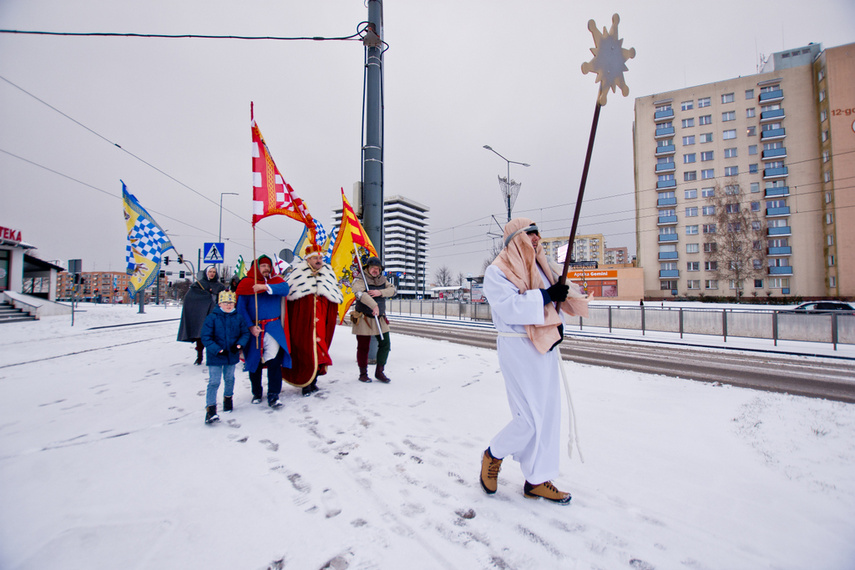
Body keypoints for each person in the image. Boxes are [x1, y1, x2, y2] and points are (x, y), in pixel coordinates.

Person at [479, 218, 589, 505]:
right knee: (528, 419)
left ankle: (537, 479)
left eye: (538, 234)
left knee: (548, 415)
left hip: (545, 345)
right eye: (530, 235)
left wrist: (561, 306)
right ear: (515, 238)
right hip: (517, 348)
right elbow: (509, 307)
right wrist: (544, 296)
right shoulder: (497, 271)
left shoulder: (543, 265)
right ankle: (494, 454)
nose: (536, 240)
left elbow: (553, 302)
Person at [283, 244, 344, 396]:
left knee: (320, 351)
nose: (318, 260)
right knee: (305, 351)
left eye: (320, 257)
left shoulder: (328, 274)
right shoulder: (298, 274)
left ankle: (314, 381)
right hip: (304, 323)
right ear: (308, 259)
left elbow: (332, 299)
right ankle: (306, 383)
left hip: (321, 322)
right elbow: (290, 300)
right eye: (315, 258)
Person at [235, 255, 291, 408]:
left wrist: (265, 287)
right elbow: (241, 309)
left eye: (268, 266)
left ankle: (274, 394)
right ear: (256, 268)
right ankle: (257, 393)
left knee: (274, 362)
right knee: (254, 362)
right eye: (263, 266)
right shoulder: (247, 284)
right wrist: (250, 326)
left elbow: (285, 289)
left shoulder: (276, 281)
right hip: (255, 330)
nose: (266, 268)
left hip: (273, 328)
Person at [200, 290, 251, 424]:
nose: (228, 305)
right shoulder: (212, 318)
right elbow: (206, 337)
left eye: (231, 303)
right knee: (214, 381)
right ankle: (211, 409)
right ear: (220, 303)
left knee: (229, 378)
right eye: (225, 303)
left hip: (231, 355)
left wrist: (239, 345)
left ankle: (228, 398)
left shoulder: (238, 317)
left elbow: (245, 333)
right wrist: (217, 349)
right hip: (216, 356)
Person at [350, 256, 396, 383]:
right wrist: (373, 305)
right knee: (363, 347)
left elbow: (393, 290)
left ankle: (379, 372)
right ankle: (363, 373)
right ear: (368, 269)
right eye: (373, 268)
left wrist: (380, 293)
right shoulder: (360, 279)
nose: (375, 270)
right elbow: (359, 293)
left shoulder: (383, 280)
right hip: (364, 317)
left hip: (380, 318)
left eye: (378, 268)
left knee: (385, 344)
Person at [177, 265, 225, 364]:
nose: (212, 274)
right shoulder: (198, 285)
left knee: (215, 336)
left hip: (216, 314)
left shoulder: (220, 286)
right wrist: (205, 295)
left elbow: (224, 298)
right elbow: (190, 298)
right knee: (201, 335)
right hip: (202, 314)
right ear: (206, 273)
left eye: (214, 272)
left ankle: (213, 355)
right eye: (210, 272)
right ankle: (199, 356)